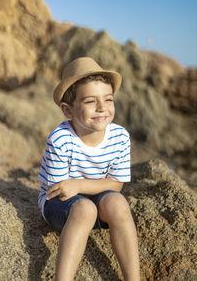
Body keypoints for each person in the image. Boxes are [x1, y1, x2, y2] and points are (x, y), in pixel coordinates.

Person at [38, 57, 140, 281]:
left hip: (94, 196)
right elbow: (60, 190)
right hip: (58, 202)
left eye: (108, 99)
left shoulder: (120, 137)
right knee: (84, 209)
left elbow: (116, 184)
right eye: (90, 101)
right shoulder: (61, 139)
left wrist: (80, 185)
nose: (102, 108)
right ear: (68, 111)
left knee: (118, 202)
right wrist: (77, 191)